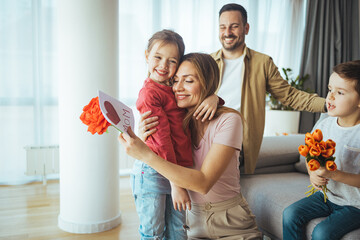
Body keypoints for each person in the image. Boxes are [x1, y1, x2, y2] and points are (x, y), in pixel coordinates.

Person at [120, 53, 262, 240]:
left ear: (207, 83)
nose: (177, 88)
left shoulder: (229, 120)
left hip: (231, 226)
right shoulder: (177, 121)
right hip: (190, 225)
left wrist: (146, 155)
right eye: (175, 81)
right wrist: (147, 140)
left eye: (188, 81)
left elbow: (203, 183)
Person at [209, 3, 327, 174]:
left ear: (246, 28)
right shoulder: (206, 63)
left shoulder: (262, 63)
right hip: (206, 134)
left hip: (236, 141)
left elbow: (290, 96)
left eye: (234, 26)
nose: (227, 33)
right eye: (223, 27)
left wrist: (328, 104)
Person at [134, 29, 219, 240]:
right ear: (146, 56)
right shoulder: (150, 94)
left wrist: (215, 98)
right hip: (154, 171)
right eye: (158, 57)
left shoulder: (173, 88)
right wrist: (176, 185)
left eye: (172, 61)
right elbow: (161, 141)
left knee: (178, 230)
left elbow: (198, 96)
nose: (163, 66)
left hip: (176, 170)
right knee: (154, 232)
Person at [282, 60, 360, 239]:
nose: (330, 97)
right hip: (330, 196)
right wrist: (312, 173)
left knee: (322, 233)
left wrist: (333, 175)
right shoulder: (325, 125)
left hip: (356, 204)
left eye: (340, 92)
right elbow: (311, 157)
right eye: (330, 89)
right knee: (290, 214)